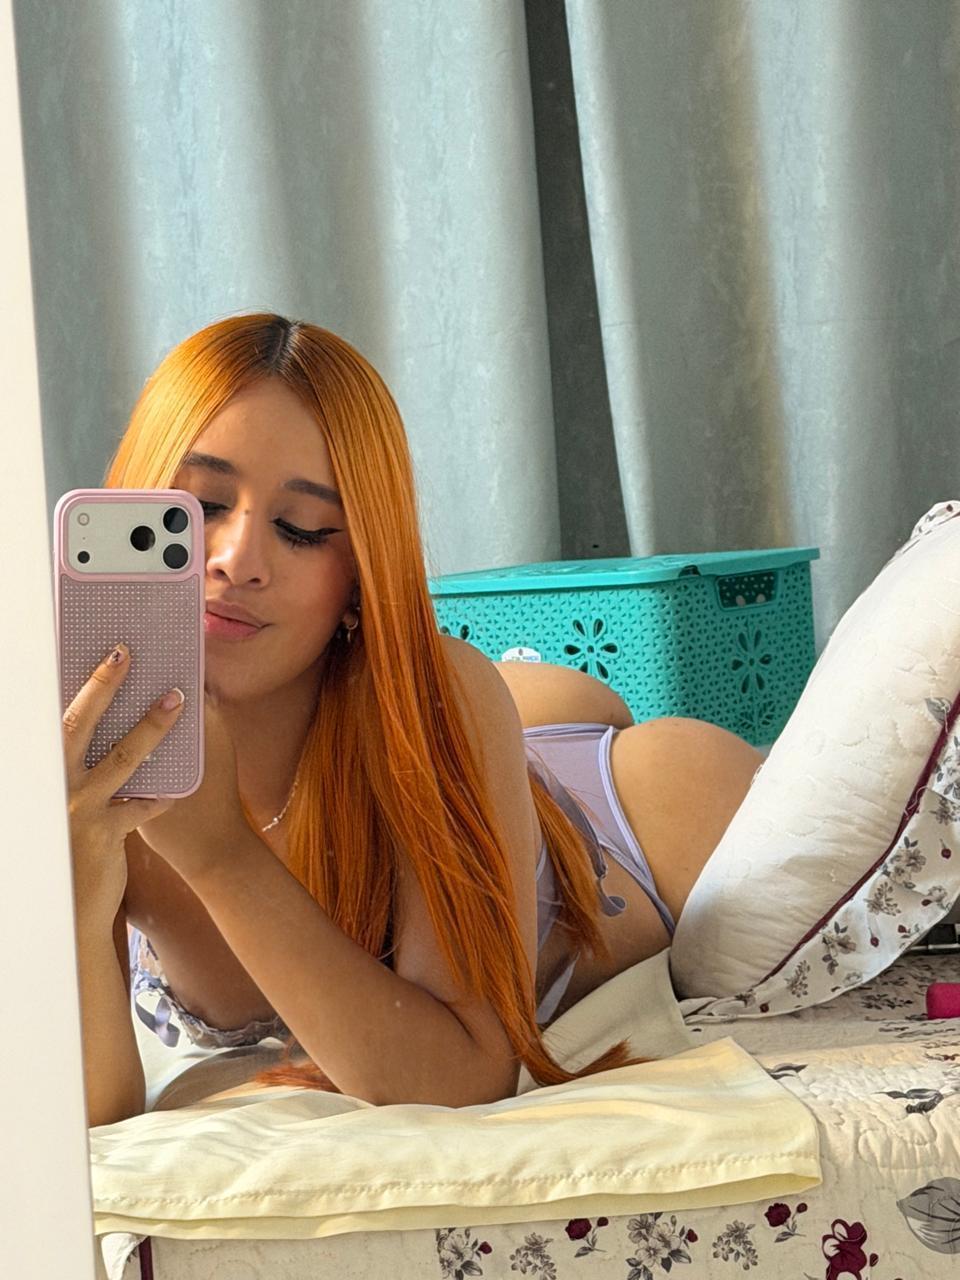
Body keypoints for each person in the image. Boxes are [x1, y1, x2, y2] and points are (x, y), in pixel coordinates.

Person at [64, 314, 764, 1127]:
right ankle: (528, 704)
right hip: (424, 737)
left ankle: (538, 712)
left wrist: (221, 856)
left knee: (498, 701)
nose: (238, 560)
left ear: (361, 573)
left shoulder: (435, 704)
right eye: (199, 507)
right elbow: (92, 1116)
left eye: (301, 529)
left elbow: (463, 1079)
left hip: (626, 819)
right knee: (493, 704)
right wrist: (73, 873)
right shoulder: (83, 744)